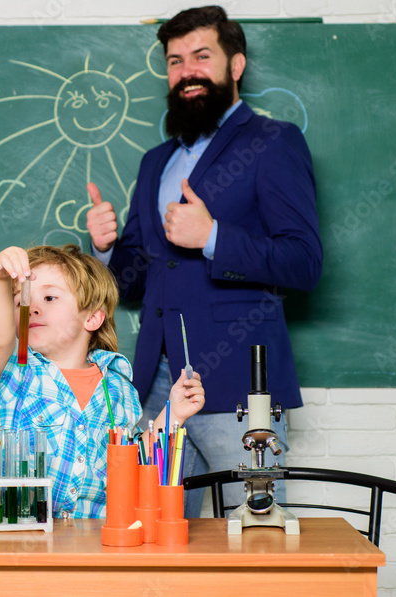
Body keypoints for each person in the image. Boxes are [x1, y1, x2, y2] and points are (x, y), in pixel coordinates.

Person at [87, 5, 323, 517]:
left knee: (254, 534)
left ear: (234, 66)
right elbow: (136, 282)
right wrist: (105, 250)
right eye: (175, 61)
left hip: (239, 386)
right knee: (150, 528)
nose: (187, 71)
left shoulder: (272, 142)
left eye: (201, 56)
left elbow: (304, 261)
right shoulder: (156, 162)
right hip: (154, 387)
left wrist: (213, 235)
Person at [0, 244, 205, 518]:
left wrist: (173, 412)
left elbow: (133, 461)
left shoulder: (117, 385)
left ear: (92, 317)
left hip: (96, 540)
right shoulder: (14, 370)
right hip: (20, 541)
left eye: (50, 298)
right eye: (20, 301)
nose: (32, 308)